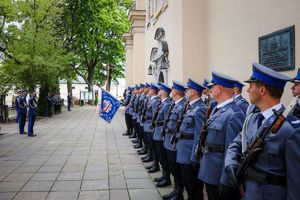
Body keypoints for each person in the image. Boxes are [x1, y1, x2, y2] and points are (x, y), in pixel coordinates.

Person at [225, 63, 300, 200]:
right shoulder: (252, 119)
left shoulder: (290, 129)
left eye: (251, 86)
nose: (247, 91)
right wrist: (230, 162)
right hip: (249, 192)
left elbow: (296, 181)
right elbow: (235, 143)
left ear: (262, 90)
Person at [198, 71, 245, 200]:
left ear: (220, 88)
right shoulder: (216, 109)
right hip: (210, 168)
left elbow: (231, 150)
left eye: (212, 86)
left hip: (219, 173)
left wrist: (226, 181)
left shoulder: (234, 114)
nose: (210, 89)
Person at [175, 79, 207, 200]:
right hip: (183, 152)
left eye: (187, 90)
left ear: (193, 92)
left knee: (194, 187)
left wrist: (195, 156)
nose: (185, 92)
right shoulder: (190, 107)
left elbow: (199, 135)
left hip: (189, 154)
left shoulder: (200, 108)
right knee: (188, 185)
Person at [162, 80, 186, 200]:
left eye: (173, 89)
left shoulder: (182, 105)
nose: (170, 91)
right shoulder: (175, 104)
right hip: (169, 139)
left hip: (174, 142)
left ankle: (179, 192)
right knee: (172, 167)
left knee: (176, 169)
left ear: (176, 91)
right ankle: (175, 190)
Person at [152, 82, 172, 187]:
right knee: (160, 155)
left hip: (161, 133)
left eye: (159, 90)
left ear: (163, 92)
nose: (157, 91)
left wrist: (163, 134)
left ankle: (167, 177)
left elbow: (166, 121)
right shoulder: (162, 103)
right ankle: (164, 176)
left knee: (164, 157)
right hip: (157, 132)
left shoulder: (167, 104)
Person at [143, 83, 160, 172]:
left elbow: (154, 116)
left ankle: (156, 164)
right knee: (150, 145)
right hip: (148, 125)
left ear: (153, 91)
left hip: (150, 126)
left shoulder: (155, 101)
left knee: (153, 147)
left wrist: (152, 127)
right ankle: (153, 162)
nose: (148, 91)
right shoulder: (151, 100)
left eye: (150, 89)